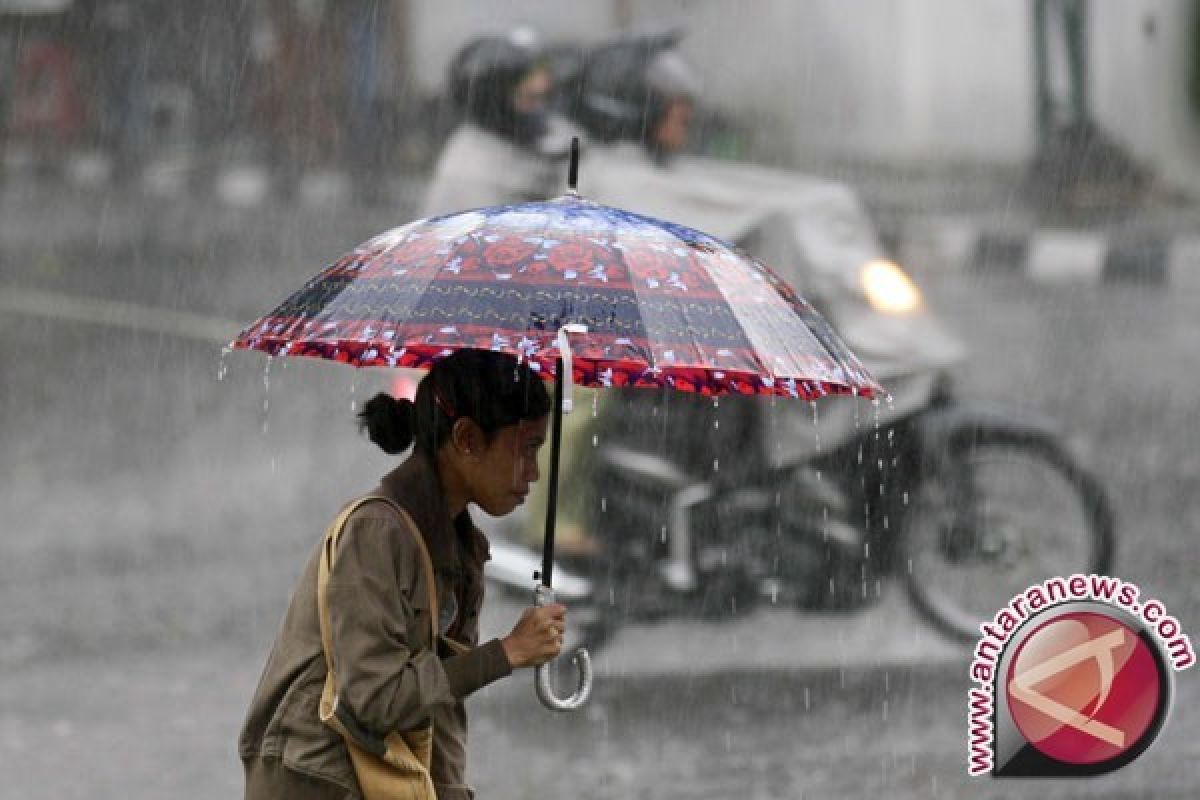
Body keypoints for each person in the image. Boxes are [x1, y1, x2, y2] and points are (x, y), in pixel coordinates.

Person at [239, 349, 566, 800]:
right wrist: (505, 653)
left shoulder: (461, 548)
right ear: (467, 438)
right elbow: (376, 699)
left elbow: (440, 707)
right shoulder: (376, 533)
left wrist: (451, 792)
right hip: (316, 781)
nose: (534, 473)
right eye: (526, 448)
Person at [420, 28, 572, 217]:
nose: (538, 112)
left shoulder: (510, 143)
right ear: (494, 101)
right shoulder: (473, 174)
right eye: (528, 99)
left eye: (542, 99)